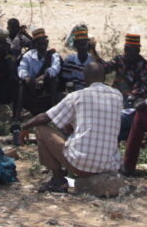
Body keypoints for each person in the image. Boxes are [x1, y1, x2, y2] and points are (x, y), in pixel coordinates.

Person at [17, 61, 121, 194]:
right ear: (104, 77)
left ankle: (58, 179)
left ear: (84, 78)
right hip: (108, 165)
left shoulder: (77, 96)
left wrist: (25, 126)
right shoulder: (117, 96)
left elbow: (46, 117)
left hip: (81, 165)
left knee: (41, 129)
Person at [17, 26, 61, 117]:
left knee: (54, 80)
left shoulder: (53, 55)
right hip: (32, 85)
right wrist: (28, 78)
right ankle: (17, 114)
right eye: (39, 44)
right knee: (22, 83)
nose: (42, 47)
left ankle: (53, 111)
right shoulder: (28, 55)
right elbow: (21, 69)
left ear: (47, 43)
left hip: (46, 84)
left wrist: (44, 76)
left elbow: (55, 68)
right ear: (34, 45)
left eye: (44, 44)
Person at [109, 34, 147, 102]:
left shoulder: (143, 63)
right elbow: (106, 68)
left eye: (134, 50)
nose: (131, 53)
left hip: (135, 96)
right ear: (125, 49)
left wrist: (132, 95)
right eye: (128, 49)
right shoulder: (118, 60)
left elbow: (141, 82)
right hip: (117, 95)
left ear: (138, 50)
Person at [59, 24, 95, 92]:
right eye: (80, 45)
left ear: (88, 45)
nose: (83, 47)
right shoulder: (69, 61)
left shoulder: (93, 62)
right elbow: (67, 81)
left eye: (84, 44)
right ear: (75, 45)